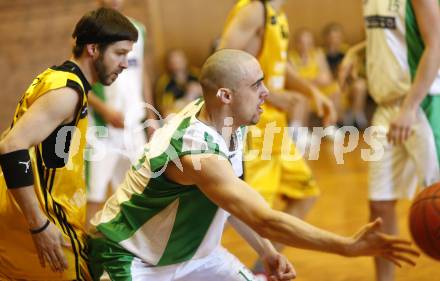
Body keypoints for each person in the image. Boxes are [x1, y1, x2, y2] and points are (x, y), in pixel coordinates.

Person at [88, 49, 418, 281]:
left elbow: (234, 204)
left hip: (195, 257)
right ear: (226, 96)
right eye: (256, 85)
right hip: (132, 258)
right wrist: (346, 246)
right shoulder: (196, 151)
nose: (266, 92)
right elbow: (265, 219)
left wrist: (267, 252)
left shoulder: (230, 122)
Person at [0, 8, 138, 281]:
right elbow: (11, 146)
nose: (125, 63)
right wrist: (39, 225)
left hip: (16, 219)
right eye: (120, 53)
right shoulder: (67, 92)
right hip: (42, 222)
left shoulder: (58, 78)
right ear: (93, 49)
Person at [218, 1, 336, 272]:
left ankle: (260, 272)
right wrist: (266, 92)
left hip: (276, 127)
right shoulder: (254, 10)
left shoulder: (276, 15)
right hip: (255, 128)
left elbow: (281, 68)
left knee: (305, 194)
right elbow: (222, 61)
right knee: (259, 213)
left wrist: (311, 91)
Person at [363, 0, 440, 280]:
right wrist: (354, 56)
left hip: (424, 103)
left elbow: (436, 45)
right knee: (380, 205)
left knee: (438, 200)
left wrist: (409, 107)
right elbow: (386, 39)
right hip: (386, 108)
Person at [86, 0, 155, 228]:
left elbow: (142, 72)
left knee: (138, 190)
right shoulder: (90, 31)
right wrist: (104, 109)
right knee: (94, 196)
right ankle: (84, 254)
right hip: (102, 128)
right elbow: (78, 77)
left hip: (133, 125)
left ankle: (130, 247)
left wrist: (151, 115)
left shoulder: (138, 30)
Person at [155, 49, 202, 116]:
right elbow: (165, 110)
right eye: (173, 63)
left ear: (186, 61)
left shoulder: (197, 74)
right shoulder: (164, 82)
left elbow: (212, 92)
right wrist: (187, 98)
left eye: (180, 62)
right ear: (168, 65)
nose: (177, 66)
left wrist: (199, 89)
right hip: (179, 114)